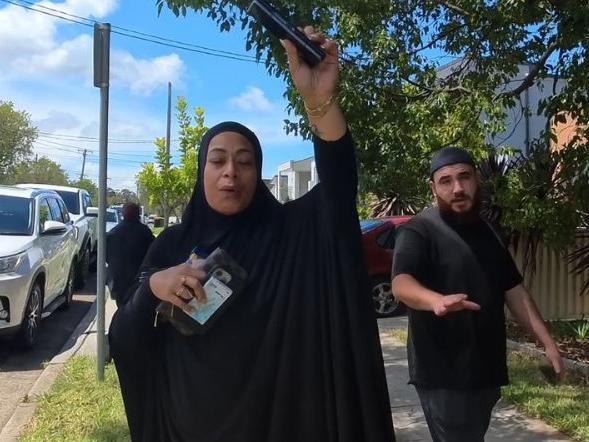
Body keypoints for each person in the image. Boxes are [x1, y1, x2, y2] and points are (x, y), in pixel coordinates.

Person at [109, 27, 395, 442]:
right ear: (202, 172)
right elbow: (127, 339)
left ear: (258, 173)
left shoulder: (290, 234)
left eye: (244, 162)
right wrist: (154, 285)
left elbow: (337, 186)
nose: (231, 172)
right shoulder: (171, 245)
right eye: (218, 160)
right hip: (186, 425)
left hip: (281, 421)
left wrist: (318, 101)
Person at [391, 147, 565, 442]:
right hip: (443, 372)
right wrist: (436, 300)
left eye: (464, 177)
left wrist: (547, 343)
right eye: (446, 181)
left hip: (486, 369)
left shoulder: (488, 230)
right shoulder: (419, 230)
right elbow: (401, 284)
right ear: (434, 188)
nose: (457, 188)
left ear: (477, 180)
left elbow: (513, 289)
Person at [106, 202, 155, 307]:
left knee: (121, 308)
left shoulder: (113, 233)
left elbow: (105, 256)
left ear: (123, 214)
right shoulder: (145, 232)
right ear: (138, 214)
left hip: (118, 281)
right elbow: (154, 254)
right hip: (139, 280)